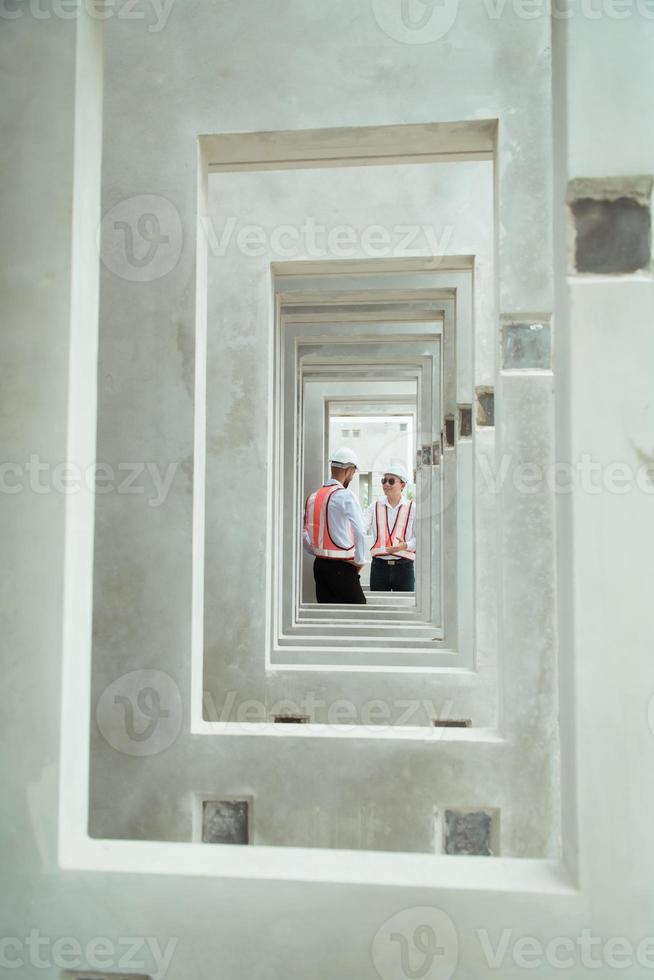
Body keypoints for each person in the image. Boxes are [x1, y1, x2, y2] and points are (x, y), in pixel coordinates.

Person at [303, 447, 367, 604]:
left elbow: (303, 533)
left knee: (327, 616)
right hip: (342, 567)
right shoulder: (345, 496)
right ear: (349, 470)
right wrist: (359, 561)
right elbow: (360, 531)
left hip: (319, 566)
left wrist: (318, 551)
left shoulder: (313, 497)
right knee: (358, 613)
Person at [364, 464, 416, 592]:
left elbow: (421, 538)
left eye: (391, 481)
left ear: (402, 485)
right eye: (384, 481)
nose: (386, 484)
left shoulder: (413, 508)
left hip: (404, 567)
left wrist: (405, 546)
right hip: (379, 568)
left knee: (405, 607)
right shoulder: (373, 507)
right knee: (378, 609)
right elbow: (361, 528)